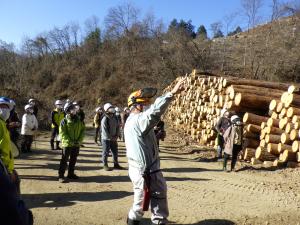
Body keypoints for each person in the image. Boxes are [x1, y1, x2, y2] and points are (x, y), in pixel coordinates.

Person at [124, 78, 185, 225]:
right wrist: (172, 93)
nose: (148, 105)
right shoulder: (138, 120)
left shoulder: (133, 121)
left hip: (140, 169)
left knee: (141, 202)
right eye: (145, 103)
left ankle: (138, 220)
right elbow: (154, 113)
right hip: (146, 171)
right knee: (153, 199)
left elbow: (141, 141)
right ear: (136, 105)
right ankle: (158, 222)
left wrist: (156, 136)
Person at [58, 102, 85, 182]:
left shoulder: (79, 120)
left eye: (74, 108)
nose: (74, 110)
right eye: (72, 109)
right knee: (64, 160)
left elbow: (82, 131)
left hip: (76, 144)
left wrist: (79, 141)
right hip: (67, 144)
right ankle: (61, 176)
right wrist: (70, 142)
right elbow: (62, 134)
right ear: (68, 111)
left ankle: (70, 174)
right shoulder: (64, 121)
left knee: (73, 159)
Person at [101, 103, 123, 171]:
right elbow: (105, 130)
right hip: (106, 139)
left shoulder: (115, 117)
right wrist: (111, 137)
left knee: (115, 152)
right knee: (106, 152)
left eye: (112, 107)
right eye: (110, 108)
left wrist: (117, 135)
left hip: (114, 138)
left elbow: (118, 127)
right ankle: (105, 165)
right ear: (106, 110)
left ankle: (116, 164)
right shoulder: (105, 118)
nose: (112, 108)